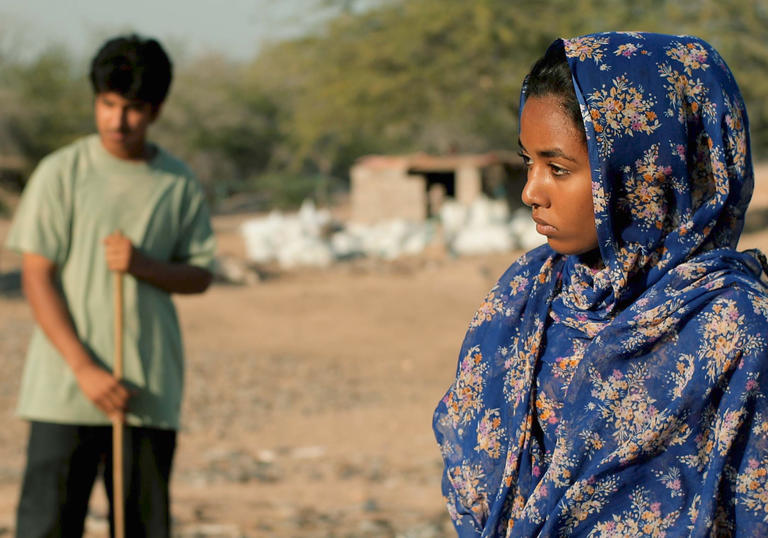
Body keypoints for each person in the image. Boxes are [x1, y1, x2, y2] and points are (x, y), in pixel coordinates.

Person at [433, 32, 768, 536]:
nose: (531, 192)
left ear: (644, 173)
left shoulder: (736, 331)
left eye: (559, 168)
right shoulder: (526, 295)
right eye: (528, 162)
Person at [6, 34, 216, 537]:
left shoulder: (177, 183)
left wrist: (144, 265)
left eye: (134, 109)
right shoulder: (61, 173)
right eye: (107, 104)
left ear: (157, 110)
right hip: (63, 389)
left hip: (145, 389)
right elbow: (37, 275)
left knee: (142, 527)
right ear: (95, 100)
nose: (117, 121)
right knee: (46, 526)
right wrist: (83, 368)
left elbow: (200, 274)